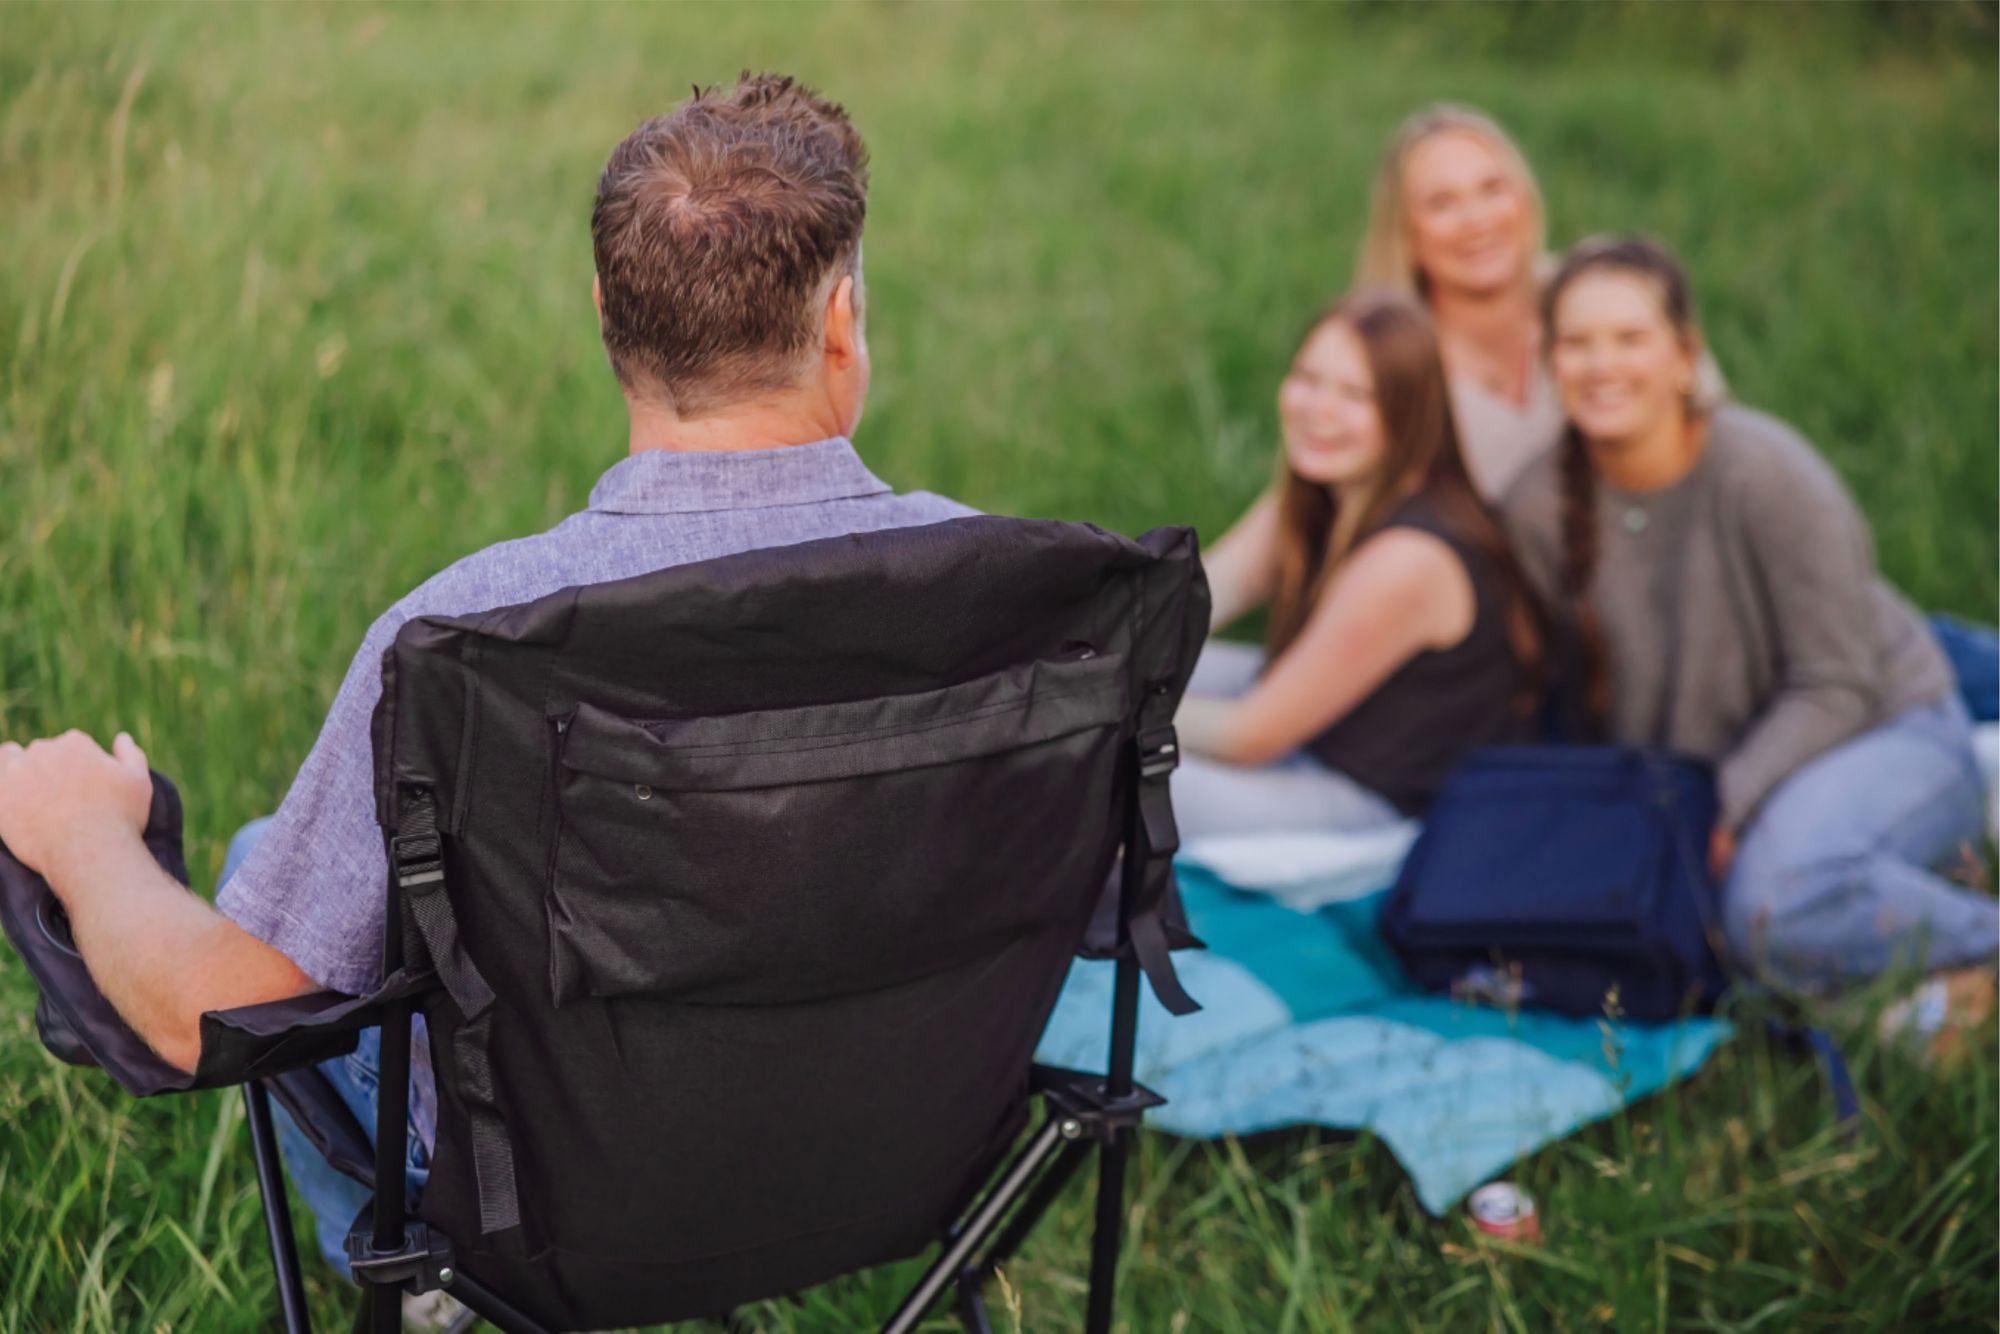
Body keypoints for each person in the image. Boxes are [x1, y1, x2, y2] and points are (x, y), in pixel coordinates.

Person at [0, 73, 973, 1277]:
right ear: (839, 321)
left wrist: (79, 831)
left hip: (554, 1195)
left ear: (609, 317)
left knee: (267, 865)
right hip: (904, 1143)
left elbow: (211, 1015)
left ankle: (426, 1299)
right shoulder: (1014, 593)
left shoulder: (468, 631)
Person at [1502, 234, 1996, 994]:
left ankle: (1976, 942)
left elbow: (1836, 683)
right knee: (1699, 935)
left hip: (1880, 731)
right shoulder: (1536, 506)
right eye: (1577, 343)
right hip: (1711, 786)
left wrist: (1720, 809)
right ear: (1549, 360)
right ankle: (1921, 982)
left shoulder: (1764, 472)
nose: (1602, 366)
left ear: (1684, 353)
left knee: (1769, 908)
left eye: (1631, 338)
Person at [1173, 291, 1540, 840]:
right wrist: (1064, 646)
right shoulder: (1320, 491)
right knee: (1100, 679)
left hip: (1371, 804)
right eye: (1308, 379)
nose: (1318, 410)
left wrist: (1086, 711)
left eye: (1355, 395)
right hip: (1306, 730)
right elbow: (1186, 604)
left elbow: (1250, 736)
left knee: (1086, 766)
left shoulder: (1410, 559)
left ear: (1409, 414)